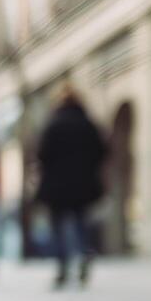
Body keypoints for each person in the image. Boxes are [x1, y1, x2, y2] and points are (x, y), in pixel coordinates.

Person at [37, 87, 107, 288]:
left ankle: (62, 267)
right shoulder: (88, 124)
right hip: (82, 185)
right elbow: (102, 152)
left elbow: (42, 154)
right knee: (80, 222)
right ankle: (85, 252)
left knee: (58, 227)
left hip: (57, 186)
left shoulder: (53, 125)